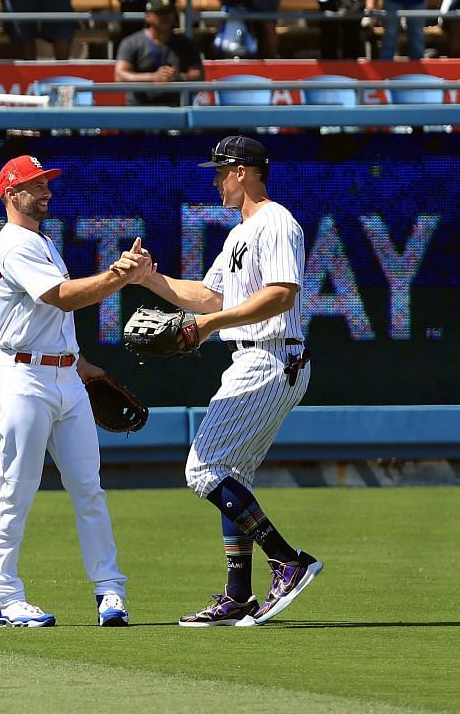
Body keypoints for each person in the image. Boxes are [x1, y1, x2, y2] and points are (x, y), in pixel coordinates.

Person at [121, 135, 321, 627]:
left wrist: (210, 327)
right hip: (258, 357)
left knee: (202, 469)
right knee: (230, 473)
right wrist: (150, 279)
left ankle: (287, 560)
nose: (214, 181)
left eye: (219, 171)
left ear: (243, 172)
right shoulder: (239, 232)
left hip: (272, 357)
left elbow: (281, 295)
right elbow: (210, 297)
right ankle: (238, 595)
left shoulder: (275, 221)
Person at [0, 152, 133, 629]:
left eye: (47, 182)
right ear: (11, 193)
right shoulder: (14, 243)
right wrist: (118, 276)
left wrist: (83, 367)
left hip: (64, 377)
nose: (46, 190)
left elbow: (47, 321)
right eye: (35, 184)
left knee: (89, 489)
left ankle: (110, 591)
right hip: (23, 382)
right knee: (16, 491)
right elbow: (61, 297)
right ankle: (4, 597)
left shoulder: (42, 242)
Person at [114, 0, 204, 105]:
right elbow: (120, 75)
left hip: (176, 109)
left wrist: (179, 77)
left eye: (168, 12)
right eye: (159, 13)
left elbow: (199, 75)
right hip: (140, 109)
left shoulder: (186, 44)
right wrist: (152, 77)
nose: (165, 17)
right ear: (148, 16)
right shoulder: (131, 42)